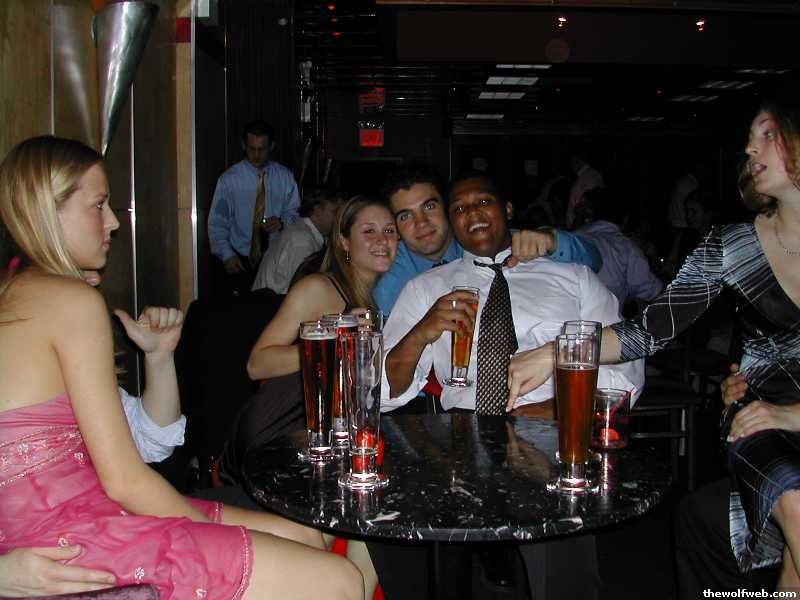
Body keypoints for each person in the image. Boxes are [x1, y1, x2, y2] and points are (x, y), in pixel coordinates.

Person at [0, 136, 362, 600]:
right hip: (73, 532)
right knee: (339, 580)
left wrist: (157, 356)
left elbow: (136, 441)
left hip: (80, 512)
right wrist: (208, 533)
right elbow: (124, 481)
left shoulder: (20, 292)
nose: (114, 221)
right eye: (99, 204)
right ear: (48, 212)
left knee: (307, 534)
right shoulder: (69, 300)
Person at [506, 89, 800, 594]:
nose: (750, 149)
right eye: (750, 139)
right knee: (794, 502)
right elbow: (649, 330)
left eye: (768, 135)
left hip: (789, 413)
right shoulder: (730, 245)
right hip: (761, 417)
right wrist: (557, 352)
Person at [382, 172, 643, 416]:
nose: (472, 212)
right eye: (459, 209)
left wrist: (554, 410)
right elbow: (385, 392)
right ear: (452, 223)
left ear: (507, 209)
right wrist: (420, 333)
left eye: (484, 201)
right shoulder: (425, 288)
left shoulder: (574, 277)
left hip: (561, 422)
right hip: (465, 430)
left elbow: (626, 370)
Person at [0, 301, 187, 597]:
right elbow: (127, 484)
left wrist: (160, 356)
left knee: (266, 535)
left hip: (109, 531)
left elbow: (150, 443)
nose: (93, 281)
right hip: (58, 558)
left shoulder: (62, 358)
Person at [373, 165, 603, 316]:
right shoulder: (391, 280)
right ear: (396, 229)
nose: (421, 222)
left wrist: (552, 240)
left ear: (448, 210)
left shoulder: (486, 240)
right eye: (406, 216)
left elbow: (594, 260)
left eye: (429, 207)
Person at [208, 120, 301, 293]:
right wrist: (226, 254)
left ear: (271, 146)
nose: (256, 155)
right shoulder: (229, 180)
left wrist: (282, 222)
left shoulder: (285, 177)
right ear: (244, 146)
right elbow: (218, 223)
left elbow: (295, 214)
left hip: (275, 257)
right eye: (252, 149)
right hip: (240, 257)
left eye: (262, 149)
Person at [575, 187, 663, 307]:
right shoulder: (626, 248)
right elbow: (655, 293)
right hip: (601, 317)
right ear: (626, 218)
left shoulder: (571, 238)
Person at [252, 186, 344, 294]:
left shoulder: (310, 232)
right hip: (271, 302)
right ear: (317, 210)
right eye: (336, 212)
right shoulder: (302, 240)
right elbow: (302, 290)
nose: (340, 218)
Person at [565, 151, 604, 229]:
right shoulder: (586, 176)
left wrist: (578, 225)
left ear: (578, 161)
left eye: (572, 161)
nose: (571, 165)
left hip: (583, 227)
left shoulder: (590, 176)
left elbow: (591, 205)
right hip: (580, 227)